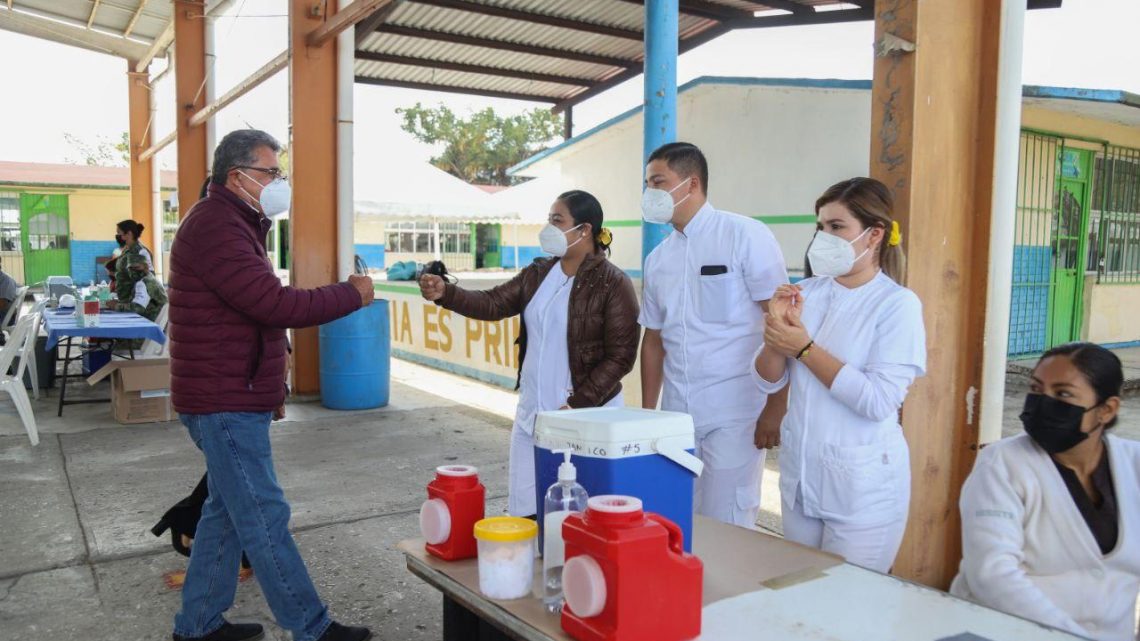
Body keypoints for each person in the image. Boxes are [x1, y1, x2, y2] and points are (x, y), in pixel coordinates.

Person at [168, 129, 375, 641]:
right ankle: (312, 627)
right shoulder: (218, 226)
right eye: (270, 173)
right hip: (221, 401)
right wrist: (351, 294)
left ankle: (197, 626)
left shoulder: (236, 222)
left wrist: (269, 391)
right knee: (262, 514)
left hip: (232, 394)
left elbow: (250, 320)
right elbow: (275, 306)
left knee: (225, 515)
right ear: (237, 176)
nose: (278, 182)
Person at [420, 190, 639, 517]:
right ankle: (531, 563)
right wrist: (447, 293)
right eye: (549, 219)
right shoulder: (539, 273)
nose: (548, 227)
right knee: (525, 506)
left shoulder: (612, 283)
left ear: (584, 230)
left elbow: (621, 356)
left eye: (557, 220)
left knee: (580, 512)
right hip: (532, 413)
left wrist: (578, 404)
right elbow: (494, 303)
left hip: (583, 417)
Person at [752, 177, 926, 572]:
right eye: (820, 227)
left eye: (836, 227)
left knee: (850, 611)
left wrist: (804, 348)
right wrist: (775, 335)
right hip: (801, 480)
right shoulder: (806, 292)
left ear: (874, 235)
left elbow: (878, 401)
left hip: (861, 490)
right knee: (803, 599)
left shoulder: (896, 305)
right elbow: (767, 380)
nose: (824, 237)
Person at [639, 142, 789, 529]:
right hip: (676, 413)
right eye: (647, 183)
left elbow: (780, 324)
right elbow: (653, 340)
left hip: (735, 410)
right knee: (676, 520)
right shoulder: (658, 260)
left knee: (729, 522)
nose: (650, 193)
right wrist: (647, 413)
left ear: (691, 184)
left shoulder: (745, 235)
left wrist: (777, 406)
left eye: (658, 182)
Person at [950, 343, 1138, 641]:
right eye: (1037, 390)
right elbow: (992, 574)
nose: (1043, 402)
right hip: (1004, 632)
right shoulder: (1003, 463)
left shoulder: (1134, 465)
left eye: (1063, 394)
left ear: (1106, 409)